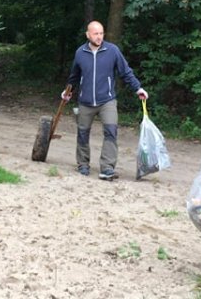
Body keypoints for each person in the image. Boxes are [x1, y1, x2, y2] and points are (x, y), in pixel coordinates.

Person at [62, 20, 148, 180]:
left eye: (101, 33)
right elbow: (74, 76)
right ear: (88, 35)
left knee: (111, 132)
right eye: (96, 34)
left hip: (107, 100)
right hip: (85, 101)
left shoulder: (112, 51)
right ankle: (83, 164)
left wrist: (138, 88)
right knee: (82, 133)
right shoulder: (80, 52)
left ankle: (107, 168)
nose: (99, 37)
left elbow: (126, 71)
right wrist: (68, 91)